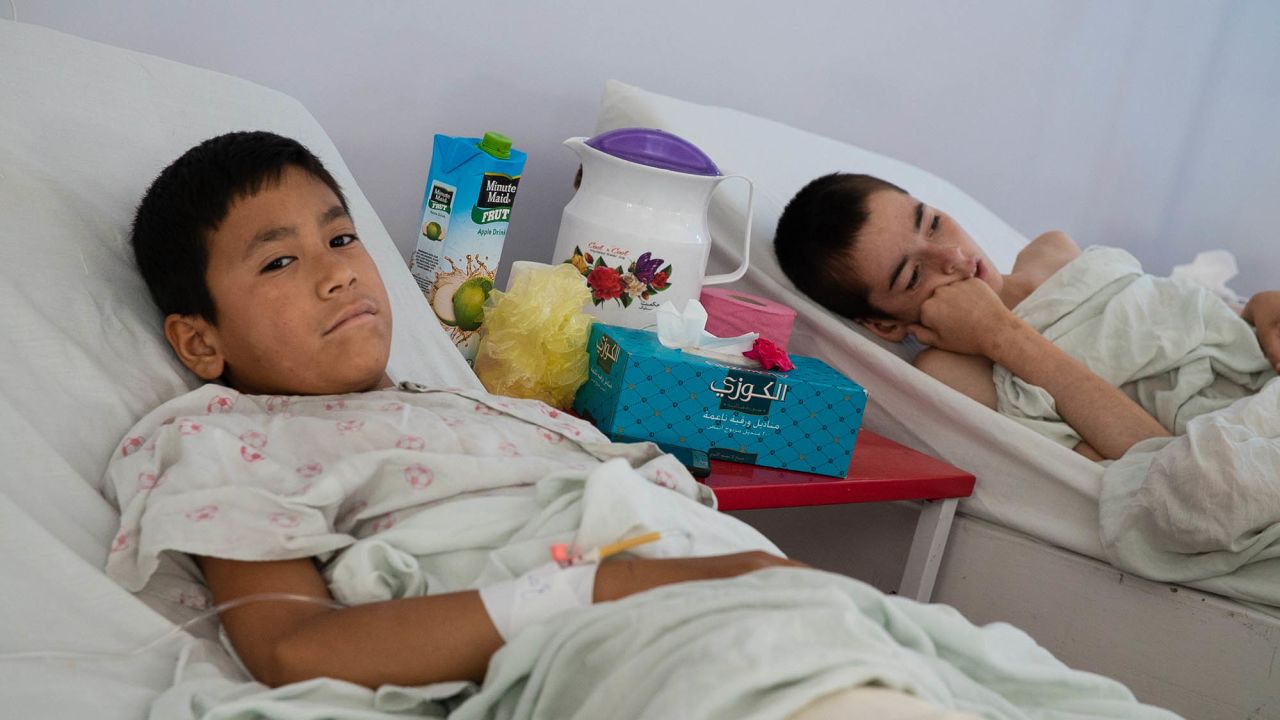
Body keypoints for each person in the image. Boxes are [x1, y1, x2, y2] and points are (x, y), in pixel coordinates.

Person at [117, 130, 803, 690]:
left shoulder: (484, 408)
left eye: (340, 238)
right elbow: (295, 649)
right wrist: (616, 586)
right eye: (277, 263)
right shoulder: (229, 440)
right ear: (199, 341)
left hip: (757, 598)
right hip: (648, 642)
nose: (340, 273)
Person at [773, 173, 1280, 461]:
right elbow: (1155, 466)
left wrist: (1255, 311)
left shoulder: (1052, 250)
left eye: (932, 223)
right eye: (912, 276)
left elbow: (1182, 324)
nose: (950, 257)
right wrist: (999, 335)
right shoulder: (955, 373)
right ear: (884, 325)